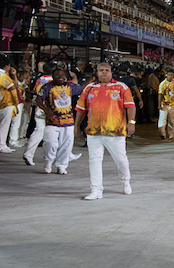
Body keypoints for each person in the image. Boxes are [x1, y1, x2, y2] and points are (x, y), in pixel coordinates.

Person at [74, 62, 136, 200]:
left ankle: (125, 181)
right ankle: (96, 190)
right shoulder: (89, 88)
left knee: (121, 160)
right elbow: (81, 109)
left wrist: (131, 122)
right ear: (96, 72)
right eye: (101, 70)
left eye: (106, 70)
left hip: (115, 131)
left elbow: (131, 106)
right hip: (93, 132)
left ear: (111, 72)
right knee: (94, 160)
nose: (104, 72)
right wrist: (76, 125)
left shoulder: (121, 87)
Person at [36, 68, 81, 174]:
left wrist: (91, 80)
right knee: (50, 143)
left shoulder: (70, 86)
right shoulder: (47, 87)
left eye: (62, 75)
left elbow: (82, 88)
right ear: (52, 76)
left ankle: (61, 165)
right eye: (57, 75)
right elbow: (38, 100)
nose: (60, 77)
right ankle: (48, 161)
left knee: (66, 145)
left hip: (68, 121)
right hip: (53, 121)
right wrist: (47, 110)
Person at [23, 63, 54, 166]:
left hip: (39, 108)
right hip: (49, 110)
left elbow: (35, 91)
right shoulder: (53, 82)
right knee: (53, 132)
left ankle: (29, 153)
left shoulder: (39, 79)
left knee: (41, 131)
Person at [0, 55, 19, 153]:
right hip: (5, 102)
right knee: (3, 125)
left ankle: (2, 144)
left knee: (3, 125)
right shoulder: (1, 75)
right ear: (6, 66)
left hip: (4, 102)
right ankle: (0, 145)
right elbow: (12, 87)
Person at [158, 68, 174, 139]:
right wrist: (159, 104)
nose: (171, 76)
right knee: (163, 120)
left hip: (172, 105)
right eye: (169, 75)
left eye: (172, 75)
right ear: (166, 75)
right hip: (164, 105)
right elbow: (160, 94)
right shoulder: (163, 84)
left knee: (172, 121)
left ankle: (171, 134)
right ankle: (162, 133)